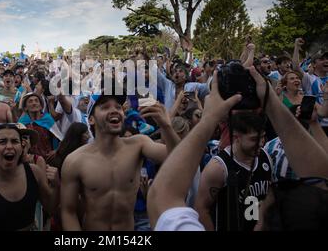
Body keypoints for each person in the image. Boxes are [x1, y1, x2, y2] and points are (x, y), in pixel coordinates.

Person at [147, 67, 328, 231]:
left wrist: (209, 119)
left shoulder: (261, 157)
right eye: (255, 138)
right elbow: (321, 178)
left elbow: (162, 196)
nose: (260, 143)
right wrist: (270, 102)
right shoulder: (221, 167)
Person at [61, 92, 179, 230]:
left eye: (118, 107)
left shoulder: (138, 144)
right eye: (105, 107)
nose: (114, 111)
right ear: (91, 119)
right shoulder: (75, 161)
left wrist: (166, 126)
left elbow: (178, 158)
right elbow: (68, 211)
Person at [195, 111, 272, 231]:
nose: (261, 143)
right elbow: (201, 209)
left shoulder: (265, 157)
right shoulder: (218, 168)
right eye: (254, 139)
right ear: (236, 137)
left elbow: (268, 195)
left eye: (263, 137)